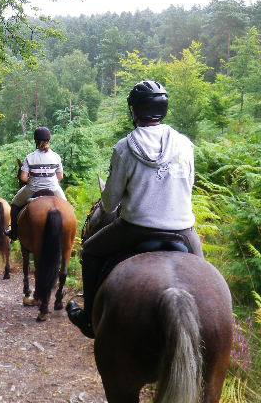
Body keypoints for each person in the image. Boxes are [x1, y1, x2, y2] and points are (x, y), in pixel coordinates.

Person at [66, 80, 204, 339]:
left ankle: (89, 320)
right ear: (163, 109)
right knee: (207, 277)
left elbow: (109, 203)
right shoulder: (184, 144)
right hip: (183, 230)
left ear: (135, 111)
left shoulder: (125, 147)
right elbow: (189, 183)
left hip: (135, 228)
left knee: (91, 251)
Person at [6, 126, 66, 241]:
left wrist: (33, 180)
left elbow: (23, 177)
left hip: (33, 189)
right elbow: (60, 176)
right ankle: (70, 239)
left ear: (36, 141)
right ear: (49, 140)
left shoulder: (30, 157)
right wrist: (50, 182)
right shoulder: (56, 157)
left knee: (14, 205)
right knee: (68, 208)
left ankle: (14, 233)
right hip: (53, 189)